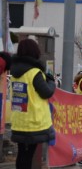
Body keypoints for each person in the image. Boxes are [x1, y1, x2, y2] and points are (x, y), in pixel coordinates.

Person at [10, 39, 56, 169]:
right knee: (28, 156)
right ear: (34, 51)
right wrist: (51, 82)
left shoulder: (14, 72)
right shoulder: (34, 72)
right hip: (33, 122)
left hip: (19, 120)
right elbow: (46, 92)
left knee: (22, 155)